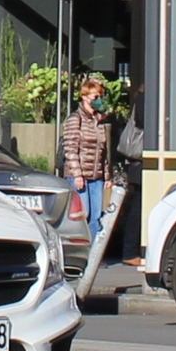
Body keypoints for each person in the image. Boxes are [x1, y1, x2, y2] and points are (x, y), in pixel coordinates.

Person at [60, 75, 113, 256]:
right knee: (83, 214)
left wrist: (107, 175)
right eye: (94, 96)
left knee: (96, 216)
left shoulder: (99, 121)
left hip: (96, 175)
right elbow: (71, 148)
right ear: (84, 97)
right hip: (80, 175)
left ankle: (92, 254)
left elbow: (103, 152)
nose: (98, 100)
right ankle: (78, 253)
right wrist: (77, 174)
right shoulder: (76, 119)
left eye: (100, 96)